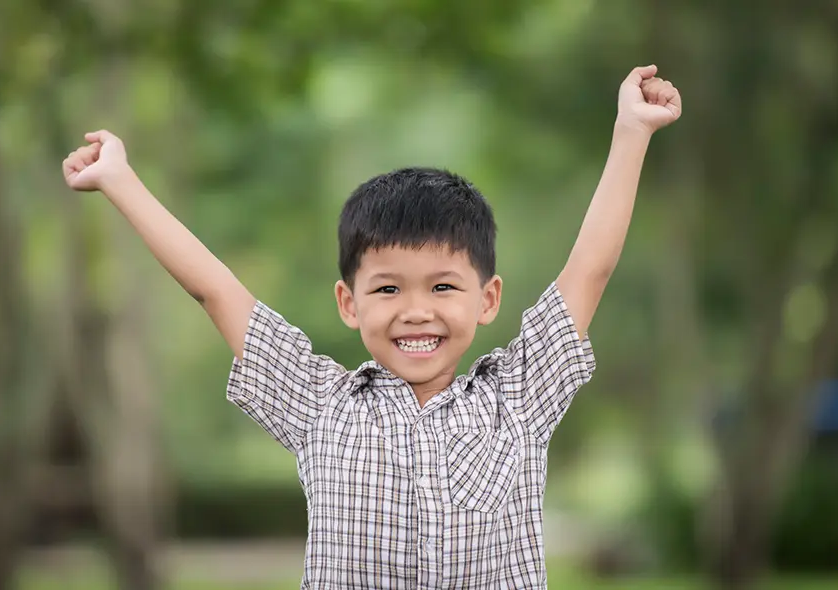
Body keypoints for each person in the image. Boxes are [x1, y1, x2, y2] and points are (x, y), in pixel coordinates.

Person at [61, 64, 681, 589]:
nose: (416, 310)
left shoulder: (519, 399)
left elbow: (590, 270)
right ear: (348, 303)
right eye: (388, 289)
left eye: (443, 287)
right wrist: (120, 180)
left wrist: (632, 133)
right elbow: (214, 289)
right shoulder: (319, 406)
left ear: (488, 299)